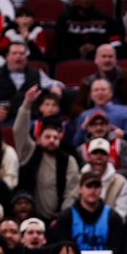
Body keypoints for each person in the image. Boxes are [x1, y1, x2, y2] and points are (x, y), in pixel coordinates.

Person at [13, 86, 80, 222]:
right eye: (48, 137)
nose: (52, 140)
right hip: (28, 218)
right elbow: (18, 131)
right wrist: (27, 104)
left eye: (55, 138)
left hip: (57, 219)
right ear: (38, 139)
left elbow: (72, 192)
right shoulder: (29, 152)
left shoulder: (68, 160)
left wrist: (62, 217)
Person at [0, 41, 63, 123]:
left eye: (22, 53)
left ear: (26, 57)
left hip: (31, 120)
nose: (18, 56)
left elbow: (56, 84)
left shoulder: (36, 73)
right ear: (7, 57)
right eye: (14, 53)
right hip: (4, 121)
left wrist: (55, 89)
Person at [51, 171, 125, 254]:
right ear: (80, 189)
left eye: (97, 186)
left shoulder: (113, 217)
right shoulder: (66, 217)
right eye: (89, 186)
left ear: (101, 189)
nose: (93, 190)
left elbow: (116, 250)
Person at [72, 43, 127, 115]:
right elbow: (77, 106)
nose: (107, 60)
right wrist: (89, 116)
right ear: (96, 60)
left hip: (123, 116)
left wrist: (123, 114)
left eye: (110, 57)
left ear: (115, 60)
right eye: (103, 56)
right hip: (95, 118)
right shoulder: (87, 81)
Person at [73, 77, 127, 146]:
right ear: (91, 95)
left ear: (111, 93)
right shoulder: (84, 116)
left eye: (103, 89)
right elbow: (76, 143)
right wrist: (82, 129)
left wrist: (124, 134)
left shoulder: (125, 111)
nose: (100, 93)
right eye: (96, 90)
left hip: (118, 149)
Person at [81, 137, 127, 220]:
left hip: (110, 225)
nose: (99, 157)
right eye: (95, 153)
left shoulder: (121, 182)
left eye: (103, 153)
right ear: (88, 157)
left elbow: (122, 212)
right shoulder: (79, 179)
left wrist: (102, 225)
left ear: (108, 157)